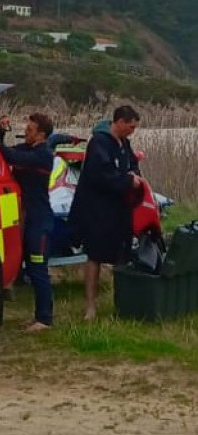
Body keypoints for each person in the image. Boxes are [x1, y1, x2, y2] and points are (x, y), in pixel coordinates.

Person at [68, 104, 143, 320]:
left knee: (122, 254)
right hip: (98, 210)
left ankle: (121, 303)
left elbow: (133, 165)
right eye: (130, 127)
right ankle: (90, 306)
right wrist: (128, 180)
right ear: (119, 122)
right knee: (95, 256)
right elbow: (101, 175)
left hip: (120, 209)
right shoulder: (99, 143)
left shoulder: (125, 143)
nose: (132, 131)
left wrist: (135, 176)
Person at [0, 112, 55, 331]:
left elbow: (14, 157)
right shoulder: (26, 149)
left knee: (38, 268)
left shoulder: (43, 155)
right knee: (30, 268)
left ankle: (45, 319)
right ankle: (38, 317)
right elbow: (6, 153)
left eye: (30, 131)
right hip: (26, 219)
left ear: (41, 134)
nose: (25, 133)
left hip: (40, 221)